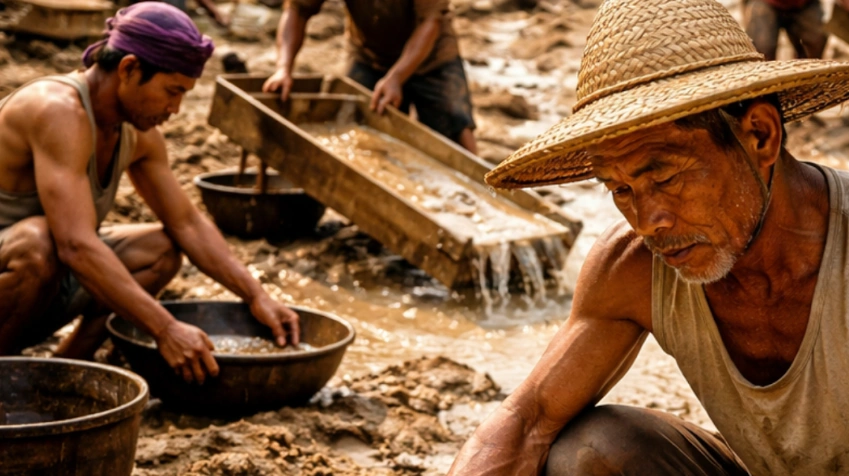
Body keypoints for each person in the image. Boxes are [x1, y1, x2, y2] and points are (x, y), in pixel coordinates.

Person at [449, 0, 849, 474]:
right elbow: (526, 422)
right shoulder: (633, 268)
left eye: (666, 177)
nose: (646, 221)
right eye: (620, 188)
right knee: (594, 450)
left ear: (759, 136)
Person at [0, 2, 299, 384]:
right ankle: (5, 377)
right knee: (38, 242)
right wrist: (165, 328)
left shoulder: (138, 132)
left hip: (43, 281)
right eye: (171, 91)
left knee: (159, 250)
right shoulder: (57, 111)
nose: (175, 108)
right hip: (24, 266)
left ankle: (68, 367)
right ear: (128, 69)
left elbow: (187, 223)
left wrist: (256, 295)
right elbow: (74, 245)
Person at [262, 0, 478, 154]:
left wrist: (396, 78)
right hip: (369, 55)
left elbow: (430, 23)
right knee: (355, 131)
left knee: (456, 133)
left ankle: (486, 199)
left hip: (432, 57)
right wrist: (283, 69)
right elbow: (297, 10)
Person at [743, 0, 827, 60]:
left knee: (815, 42)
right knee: (762, 49)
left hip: (804, 4)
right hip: (765, 3)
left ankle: (806, 78)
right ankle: (764, 80)